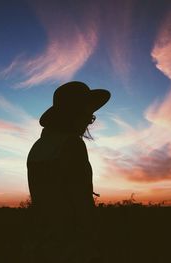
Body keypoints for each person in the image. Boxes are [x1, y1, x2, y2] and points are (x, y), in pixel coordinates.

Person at [26, 81, 111, 263]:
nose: (90, 119)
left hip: (44, 244)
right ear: (73, 113)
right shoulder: (72, 145)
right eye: (88, 114)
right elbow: (82, 204)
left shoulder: (37, 147)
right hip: (72, 247)